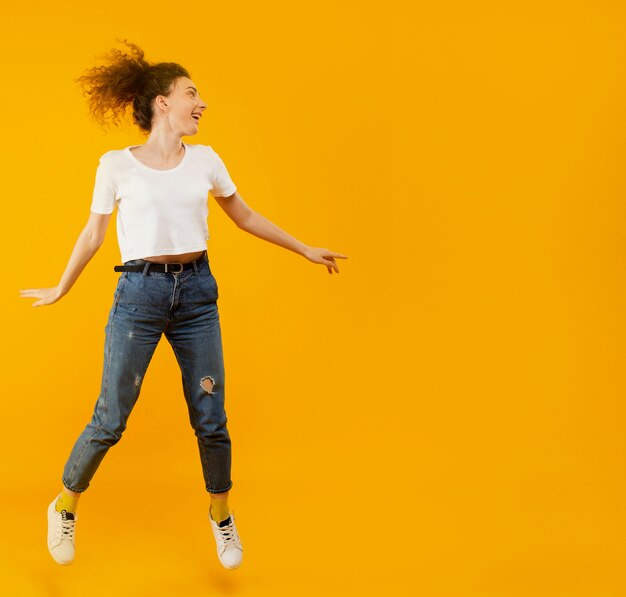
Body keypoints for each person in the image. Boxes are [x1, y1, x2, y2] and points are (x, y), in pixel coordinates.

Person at [19, 40, 347, 569]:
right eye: (191, 92)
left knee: (211, 417)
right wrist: (62, 287)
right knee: (111, 418)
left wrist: (304, 247)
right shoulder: (116, 166)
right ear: (162, 102)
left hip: (197, 293)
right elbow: (93, 235)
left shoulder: (207, 160)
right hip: (139, 294)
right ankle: (63, 505)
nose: (202, 103)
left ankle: (221, 516)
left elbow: (244, 216)